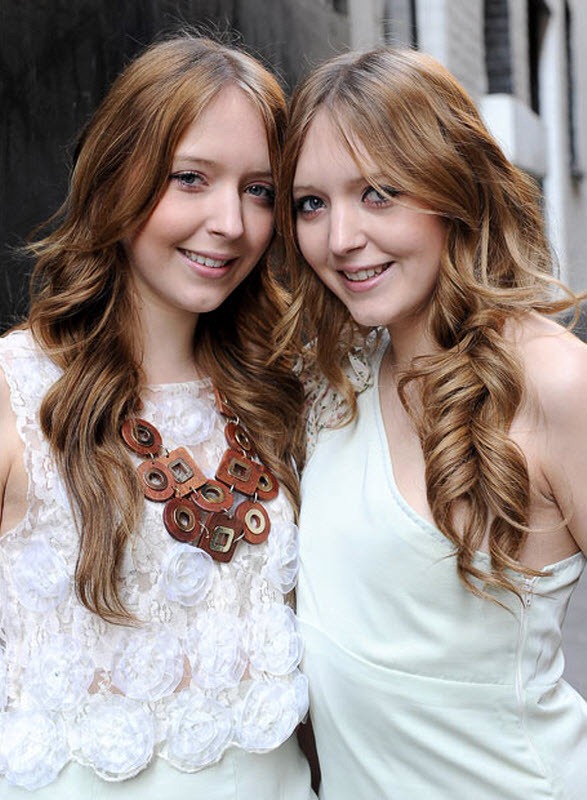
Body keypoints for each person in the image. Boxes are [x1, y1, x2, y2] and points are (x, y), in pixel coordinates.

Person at [0, 33, 316, 799]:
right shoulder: (16, 389)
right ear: (119, 176)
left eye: (258, 190)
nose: (230, 222)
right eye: (190, 178)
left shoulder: (283, 391)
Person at [276, 46, 587, 799]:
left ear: (455, 189)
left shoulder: (554, 381)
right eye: (311, 203)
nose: (340, 237)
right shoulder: (336, 380)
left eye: (378, 193)